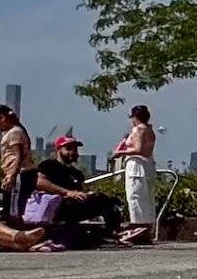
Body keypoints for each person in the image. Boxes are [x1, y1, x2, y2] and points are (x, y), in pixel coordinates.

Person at [37, 137, 125, 238]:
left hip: (75, 205)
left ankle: (112, 232)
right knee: (99, 200)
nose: (72, 152)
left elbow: (79, 191)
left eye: (75, 149)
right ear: (58, 150)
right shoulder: (49, 165)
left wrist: (86, 195)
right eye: (68, 148)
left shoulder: (77, 173)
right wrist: (66, 193)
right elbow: (40, 182)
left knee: (109, 201)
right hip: (56, 205)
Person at [116, 105, 157, 245]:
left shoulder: (139, 129)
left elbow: (138, 149)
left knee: (135, 195)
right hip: (148, 165)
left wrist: (121, 153)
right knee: (146, 196)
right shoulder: (150, 130)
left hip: (137, 165)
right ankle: (146, 226)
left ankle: (139, 226)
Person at [0, 104, 34, 221]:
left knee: (15, 208)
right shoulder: (12, 132)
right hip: (16, 173)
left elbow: (17, 155)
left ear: (2, 118)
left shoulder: (14, 132)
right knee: (10, 204)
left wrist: (12, 175)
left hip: (20, 173)